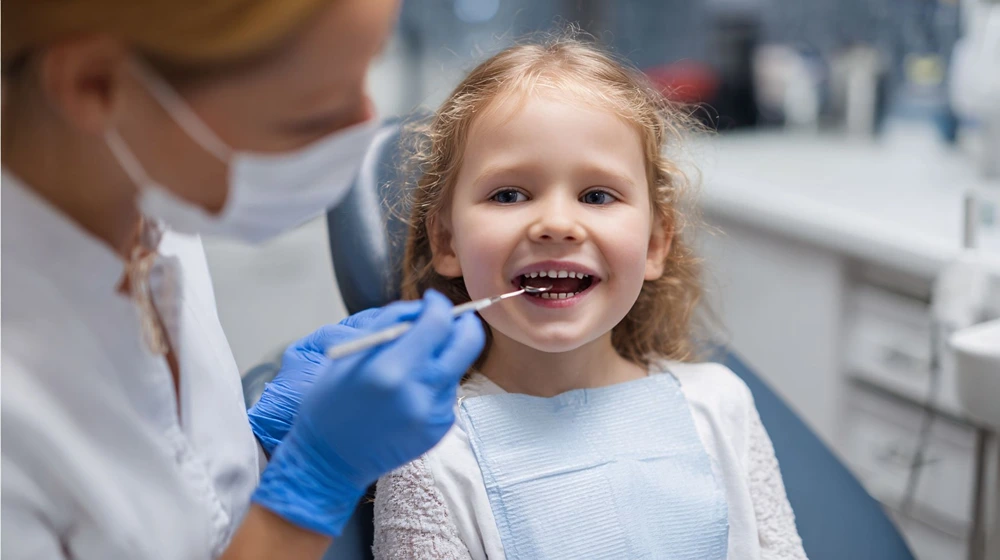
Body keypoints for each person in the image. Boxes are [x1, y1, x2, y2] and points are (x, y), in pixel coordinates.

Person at [1, 1, 485, 558]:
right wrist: (314, 483)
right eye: (308, 116)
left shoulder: (148, 196)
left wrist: (260, 446)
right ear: (94, 86)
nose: (364, 133)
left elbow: (180, 503)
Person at [372, 33, 809, 559]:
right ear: (447, 241)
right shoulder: (424, 451)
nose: (556, 224)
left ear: (654, 243)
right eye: (509, 194)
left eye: (597, 195)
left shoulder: (721, 407)